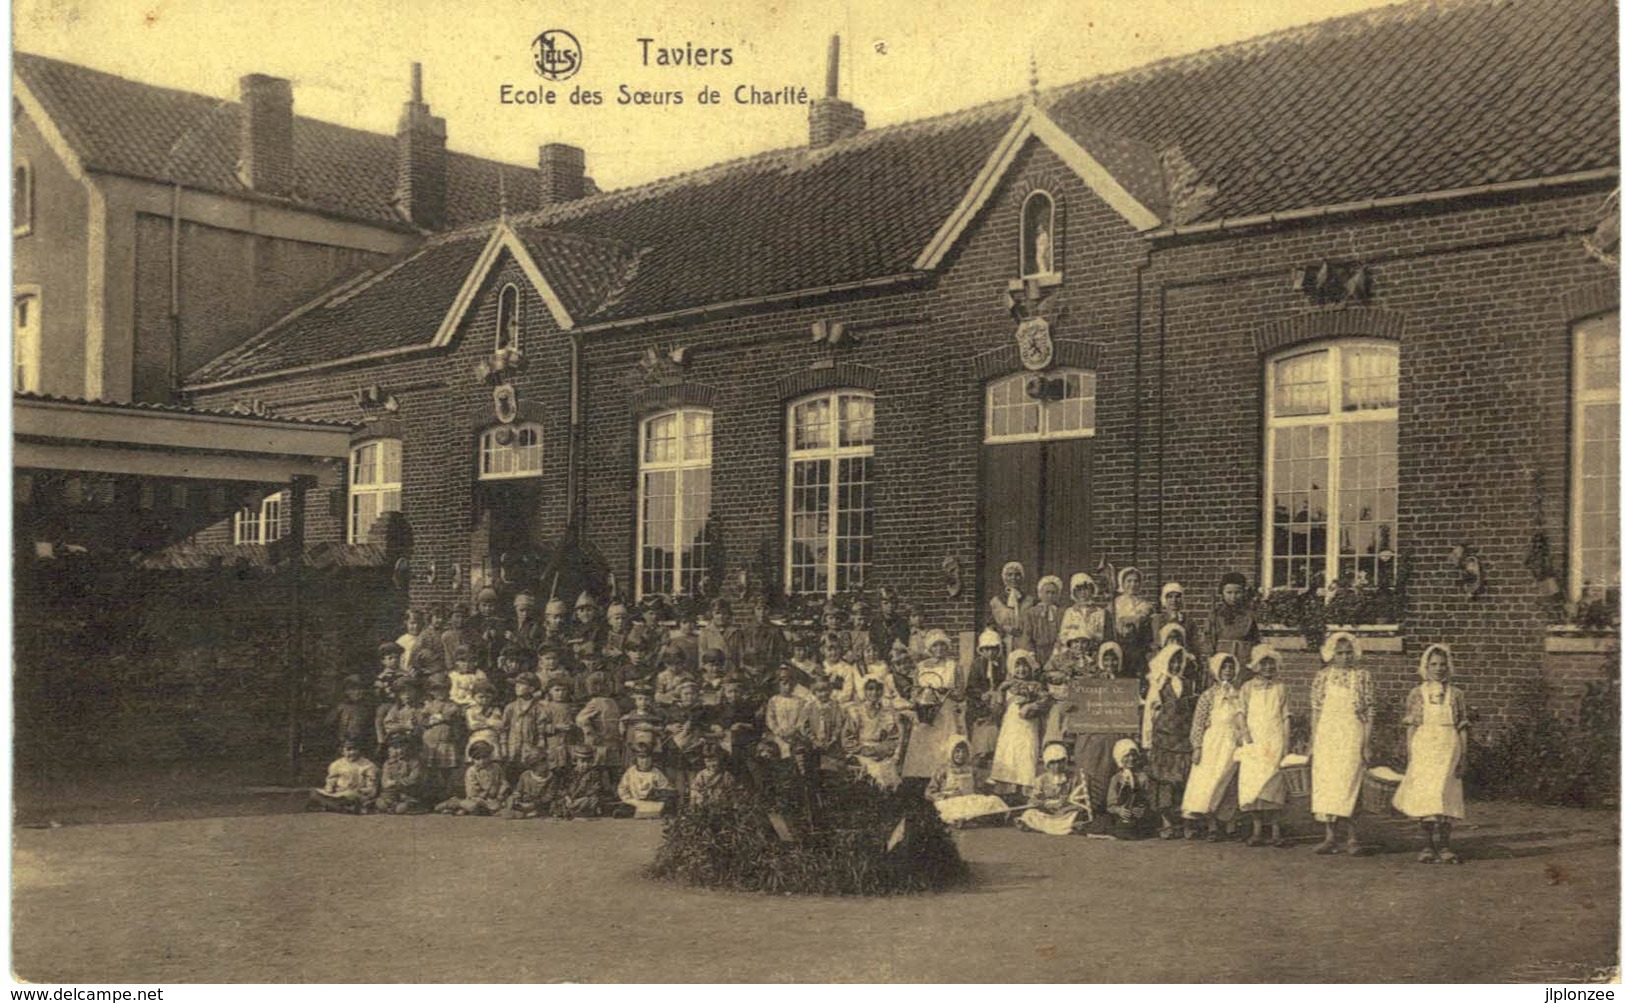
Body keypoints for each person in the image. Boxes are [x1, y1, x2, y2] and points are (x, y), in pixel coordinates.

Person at [1392, 643, 1469, 864]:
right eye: (1433, 664)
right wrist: (1412, 756)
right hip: (1424, 747)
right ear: (1426, 666)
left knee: (1446, 795)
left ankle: (1445, 847)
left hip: (1448, 746)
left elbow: (1462, 727)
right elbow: (1412, 727)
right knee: (1426, 797)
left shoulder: (1456, 694)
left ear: (1449, 666)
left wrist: (1464, 756)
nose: (1438, 668)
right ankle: (1427, 846)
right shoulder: (1417, 693)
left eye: (1442, 664)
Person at [1311, 631, 1375, 855]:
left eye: (1349, 652)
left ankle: (1353, 838)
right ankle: (1330, 837)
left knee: (1350, 784)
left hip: (1351, 734)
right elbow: (1316, 711)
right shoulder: (1323, 676)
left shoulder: (1362, 676)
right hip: (1327, 736)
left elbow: (1369, 711)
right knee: (1327, 785)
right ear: (1331, 654)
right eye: (1340, 653)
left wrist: (1366, 743)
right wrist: (1313, 740)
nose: (1345, 657)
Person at [1183, 653, 1245, 840]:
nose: (1228, 670)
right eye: (1224, 667)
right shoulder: (1208, 695)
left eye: (1231, 667)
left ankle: (1229, 824)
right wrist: (1197, 746)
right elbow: (1199, 723)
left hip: (1233, 742)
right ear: (1217, 671)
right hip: (1213, 743)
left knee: (1230, 782)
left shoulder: (1239, 694)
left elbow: (1243, 719)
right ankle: (1211, 825)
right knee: (1211, 782)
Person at [1236, 645, 1292, 847]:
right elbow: (1241, 713)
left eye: (1271, 663)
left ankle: (1276, 830)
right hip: (1254, 740)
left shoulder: (1281, 687)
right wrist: (1246, 736)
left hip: (1274, 740)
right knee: (1253, 785)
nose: (1268, 667)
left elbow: (1286, 717)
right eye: (1264, 663)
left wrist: (1285, 743)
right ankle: (1257, 830)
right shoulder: (1247, 688)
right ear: (1256, 666)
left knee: (1274, 783)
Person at [1075, 641, 1142, 811]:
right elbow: (1082, 706)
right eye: (1106, 660)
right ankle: (1093, 806)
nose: (1109, 664)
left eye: (1113, 660)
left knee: (1112, 764)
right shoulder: (1093, 681)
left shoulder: (1125, 683)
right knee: (1094, 763)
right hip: (1096, 731)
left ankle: (1111, 805)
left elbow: (1131, 707)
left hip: (1116, 731)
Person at [1140, 642, 1197, 837]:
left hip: (1183, 740)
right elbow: (1149, 715)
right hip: (1163, 739)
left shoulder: (1189, 684)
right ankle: (1166, 823)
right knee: (1164, 782)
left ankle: (1184, 823)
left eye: (1178, 662)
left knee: (1183, 781)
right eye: (1171, 662)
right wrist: (1147, 742)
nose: (1175, 666)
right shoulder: (1158, 684)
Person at [900, 631, 966, 781]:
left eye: (942, 645)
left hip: (945, 710)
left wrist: (946, 692)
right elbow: (914, 689)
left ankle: (944, 777)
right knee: (924, 743)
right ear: (930, 648)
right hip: (925, 710)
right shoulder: (921, 666)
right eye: (935, 645)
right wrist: (922, 694)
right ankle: (920, 778)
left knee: (944, 742)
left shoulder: (954, 666)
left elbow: (960, 693)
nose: (939, 649)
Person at [990, 649, 1049, 791]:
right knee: (1009, 750)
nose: (1021, 670)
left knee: (1027, 750)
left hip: (1028, 724)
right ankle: (1006, 787)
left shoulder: (1036, 685)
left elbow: (1046, 701)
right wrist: (999, 694)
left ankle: (1025, 785)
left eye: (1025, 666)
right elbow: (997, 709)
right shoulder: (1006, 685)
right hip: (1010, 724)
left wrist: (1032, 705)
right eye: (1017, 666)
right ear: (1012, 667)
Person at [926, 736, 1010, 827]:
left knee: (993, 800)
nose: (960, 755)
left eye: (963, 752)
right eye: (957, 751)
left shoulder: (971, 769)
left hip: (969, 799)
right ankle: (972, 820)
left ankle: (974, 820)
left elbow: (979, 788)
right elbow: (929, 792)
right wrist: (945, 796)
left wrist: (986, 785)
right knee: (956, 809)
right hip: (951, 801)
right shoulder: (942, 770)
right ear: (950, 752)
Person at [1016, 742, 1092, 835]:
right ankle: (1060, 827)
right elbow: (1034, 799)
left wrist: (1065, 809)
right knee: (1030, 814)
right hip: (1047, 812)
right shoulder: (1041, 780)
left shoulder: (1073, 779)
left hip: (1065, 812)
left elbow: (1079, 801)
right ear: (1047, 764)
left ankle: (1064, 826)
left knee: (1075, 815)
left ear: (1065, 761)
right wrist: (1039, 803)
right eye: (1053, 763)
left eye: (1060, 762)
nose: (1057, 766)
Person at [1090, 739, 1157, 839]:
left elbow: (1150, 799)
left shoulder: (1143, 777)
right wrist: (1119, 810)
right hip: (1120, 817)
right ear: (1120, 758)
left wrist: (1143, 810)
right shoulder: (1116, 779)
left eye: (1133, 755)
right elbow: (1110, 805)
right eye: (1127, 756)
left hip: (1138, 817)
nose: (1131, 759)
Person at [844, 678, 903, 790]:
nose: (874, 693)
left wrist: (882, 750)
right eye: (870, 689)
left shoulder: (887, 713)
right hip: (860, 752)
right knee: (871, 774)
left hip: (880, 752)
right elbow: (847, 738)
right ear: (864, 691)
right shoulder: (856, 712)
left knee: (888, 774)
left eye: (878, 689)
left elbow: (893, 738)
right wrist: (864, 750)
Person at [1206, 572, 1261, 677]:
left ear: (1243, 593)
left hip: (1243, 660)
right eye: (1229, 592)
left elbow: (1255, 641)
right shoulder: (1215, 615)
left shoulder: (1249, 616)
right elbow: (1209, 639)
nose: (1233, 597)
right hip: (1223, 660)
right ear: (1222, 593)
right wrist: (1211, 660)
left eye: (1237, 592)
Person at [418, 674, 464, 801]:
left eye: (443, 689)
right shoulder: (428, 705)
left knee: (447, 770)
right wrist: (434, 718)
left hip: (446, 741)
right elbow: (423, 720)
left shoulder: (453, 704)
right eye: (436, 690)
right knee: (430, 770)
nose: (440, 693)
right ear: (431, 691)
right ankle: (431, 796)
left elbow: (453, 714)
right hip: (431, 741)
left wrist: (438, 717)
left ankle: (447, 795)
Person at [966, 627, 1007, 765]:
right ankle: (981, 752)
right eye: (987, 649)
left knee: (998, 719)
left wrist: (999, 692)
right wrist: (982, 694)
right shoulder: (977, 664)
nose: (990, 653)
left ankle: (995, 752)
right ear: (981, 650)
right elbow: (971, 686)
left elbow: (1004, 681)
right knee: (983, 722)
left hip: (999, 699)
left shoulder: (1002, 664)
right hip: (981, 701)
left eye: (993, 649)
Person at [434, 739, 508, 815]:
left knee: (504, 804)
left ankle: (461, 810)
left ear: (490, 756)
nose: (482, 761)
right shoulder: (472, 771)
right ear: (473, 759)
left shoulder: (496, 767)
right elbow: (473, 791)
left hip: (494, 798)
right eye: (478, 759)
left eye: (485, 757)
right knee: (474, 806)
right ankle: (456, 803)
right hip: (478, 798)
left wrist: (500, 793)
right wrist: (485, 795)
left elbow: (504, 782)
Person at [552, 734, 615, 819]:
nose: (584, 765)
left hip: (584, 798)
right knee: (558, 801)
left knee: (593, 800)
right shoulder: (570, 772)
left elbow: (595, 788)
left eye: (587, 762)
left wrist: (581, 799)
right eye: (581, 761)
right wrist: (568, 798)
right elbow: (563, 787)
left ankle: (574, 811)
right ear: (576, 761)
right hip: (571, 799)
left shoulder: (594, 773)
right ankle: (571, 810)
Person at [309, 738, 378, 813]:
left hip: (355, 794)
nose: (352, 752)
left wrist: (359, 790)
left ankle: (332, 807)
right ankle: (341, 808)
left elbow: (372, 789)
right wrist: (329, 789)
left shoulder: (368, 765)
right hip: (337, 794)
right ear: (342, 751)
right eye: (348, 750)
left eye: (355, 749)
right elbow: (331, 781)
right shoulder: (336, 764)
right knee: (313, 792)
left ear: (359, 750)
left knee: (351, 796)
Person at [1111, 567, 1155, 680]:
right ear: (1123, 583)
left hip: (1138, 649)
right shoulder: (1114, 604)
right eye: (1129, 581)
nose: (1133, 584)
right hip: (1120, 647)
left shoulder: (1145, 605)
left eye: (1136, 581)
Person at [576, 670, 623, 769]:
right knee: (598, 768)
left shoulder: (612, 702)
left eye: (611, 683)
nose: (610, 686)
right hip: (599, 743)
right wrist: (590, 732)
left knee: (612, 769)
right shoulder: (596, 702)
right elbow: (581, 719)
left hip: (612, 742)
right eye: (607, 684)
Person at [617, 742, 677, 818]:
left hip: (651, 801)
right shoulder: (631, 772)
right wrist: (628, 799)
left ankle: (652, 812)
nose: (644, 761)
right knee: (624, 807)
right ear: (636, 759)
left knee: (668, 803)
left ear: (651, 759)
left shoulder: (656, 772)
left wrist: (657, 793)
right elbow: (622, 788)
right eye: (641, 758)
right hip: (635, 801)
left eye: (647, 758)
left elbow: (665, 787)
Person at [500, 673, 544, 775]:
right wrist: (503, 746)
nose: (517, 687)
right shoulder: (510, 707)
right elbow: (503, 729)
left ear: (531, 689)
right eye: (516, 684)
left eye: (521, 684)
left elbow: (541, 728)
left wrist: (540, 745)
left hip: (530, 748)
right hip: (512, 748)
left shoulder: (538, 708)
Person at [1019, 575, 1066, 667]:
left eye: (1053, 593)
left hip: (1057, 652)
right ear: (1040, 593)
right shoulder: (1031, 613)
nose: (1050, 596)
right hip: (1037, 652)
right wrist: (1032, 656)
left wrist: (1056, 654)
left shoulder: (1062, 612)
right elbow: (1027, 636)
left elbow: (1064, 634)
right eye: (1047, 592)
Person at [1060, 573, 1109, 658]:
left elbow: (1101, 633)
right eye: (1079, 590)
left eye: (1086, 589)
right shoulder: (1070, 612)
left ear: (1092, 590)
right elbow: (1064, 634)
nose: (1083, 593)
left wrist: (1090, 638)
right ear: (1074, 592)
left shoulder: (1100, 612)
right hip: (1074, 651)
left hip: (1093, 651)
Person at [989, 561, 1033, 655]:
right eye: (1010, 575)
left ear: (1022, 577)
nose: (1013, 578)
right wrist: (1004, 628)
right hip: (1004, 643)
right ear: (1004, 577)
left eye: (1017, 575)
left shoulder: (1030, 601)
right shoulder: (996, 601)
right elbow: (990, 625)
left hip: (1025, 644)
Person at [374, 734, 425, 814]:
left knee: (401, 809)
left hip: (409, 794)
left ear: (408, 747)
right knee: (381, 804)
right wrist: (388, 784)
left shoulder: (415, 762)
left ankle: (411, 807)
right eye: (396, 748)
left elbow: (413, 780)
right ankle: (393, 806)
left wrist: (395, 782)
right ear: (390, 750)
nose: (400, 751)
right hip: (391, 794)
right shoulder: (388, 763)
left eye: (402, 747)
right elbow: (385, 782)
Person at [1150, 583, 1198, 666]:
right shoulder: (1156, 620)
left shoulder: (1188, 622)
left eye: (1177, 597)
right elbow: (1153, 643)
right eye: (1170, 597)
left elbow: (1193, 646)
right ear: (1164, 599)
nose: (1174, 600)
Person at [738, 595, 788, 675]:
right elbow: (740, 654)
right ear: (753, 610)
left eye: (765, 609)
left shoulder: (775, 630)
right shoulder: (746, 631)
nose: (762, 612)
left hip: (771, 672)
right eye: (758, 609)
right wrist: (748, 668)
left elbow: (783, 653)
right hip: (749, 672)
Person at [537, 675, 578, 769]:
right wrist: (555, 727)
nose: (560, 693)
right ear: (550, 691)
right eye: (557, 690)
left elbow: (579, 724)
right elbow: (539, 726)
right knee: (555, 768)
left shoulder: (573, 708)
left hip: (570, 744)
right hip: (553, 745)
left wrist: (573, 726)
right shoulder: (547, 708)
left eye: (564, 690)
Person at [502, 749, 557, 819]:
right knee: (511, 802)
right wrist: (515, 797)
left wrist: (534, 804)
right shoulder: (525, 775)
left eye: (546, 762)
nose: (546, 765)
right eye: (542, 764)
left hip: (541, 803)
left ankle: (530, 814)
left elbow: (550, 795)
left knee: (546, 809)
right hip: (526, 801)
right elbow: (519, 790)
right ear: (535, 765)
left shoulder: (551, 776)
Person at [325, 675, 372, 752]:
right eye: (353, 689)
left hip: (362, 743)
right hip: (344, 743)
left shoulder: (367, 707)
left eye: (360, 689)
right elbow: (329, 724)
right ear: (346, 692)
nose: (358, 692)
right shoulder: (341, 707)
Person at [687, 741, 739, 810]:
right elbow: (695, 789)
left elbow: (733, 792)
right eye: (708, 761)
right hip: (705, 804)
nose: (711, 764)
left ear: (720, 760)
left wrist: (735, 805)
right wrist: (693, 803)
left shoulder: (726, 775)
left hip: (722, 805)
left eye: (714, 760)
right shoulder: (701, 775)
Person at [463, 681, 504, 761]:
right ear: (474, 697)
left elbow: (499, 725)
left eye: (488, 697)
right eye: (481, 697)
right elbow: (473, 726)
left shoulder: (495, 710)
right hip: (476, 739)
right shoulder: (470, 710)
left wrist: (483, 721)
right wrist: (490, 722)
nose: (484, 700)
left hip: (492, 739)